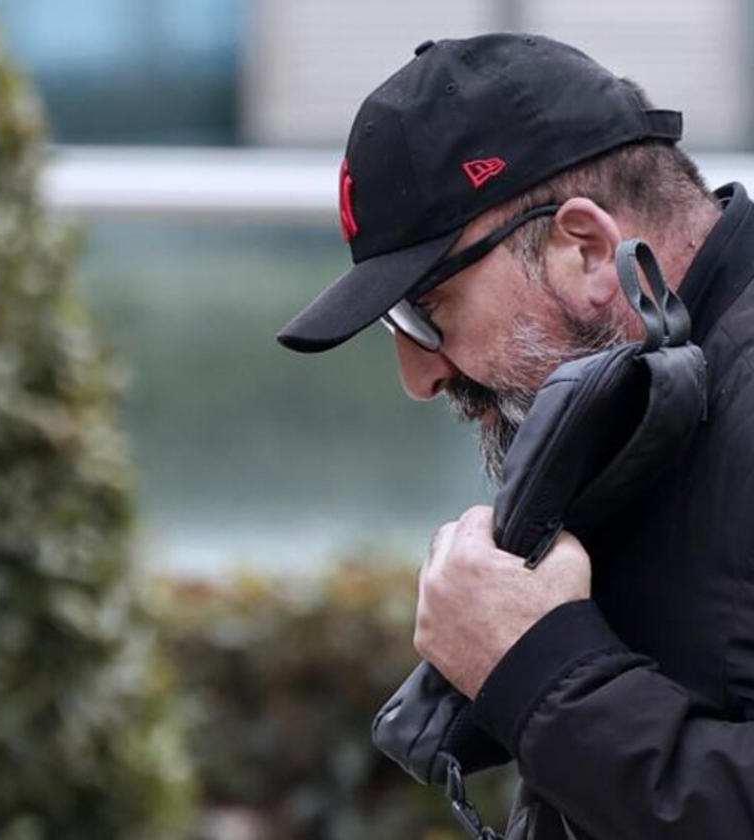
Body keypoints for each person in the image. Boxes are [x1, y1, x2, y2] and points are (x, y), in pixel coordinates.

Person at [277, 33, 754, 840]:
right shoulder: (644, 404)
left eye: (427, 310)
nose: (417, 376)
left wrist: (542, 670)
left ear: (587, 249)